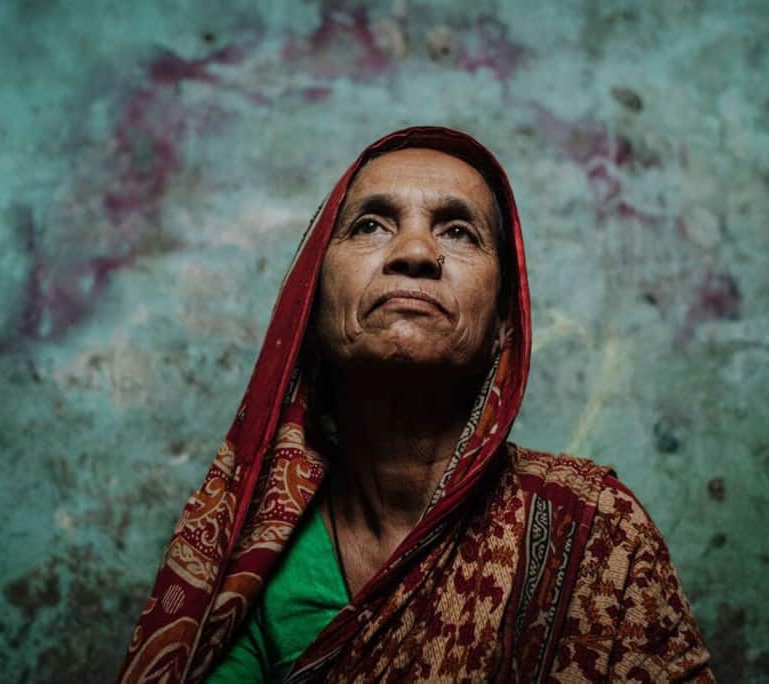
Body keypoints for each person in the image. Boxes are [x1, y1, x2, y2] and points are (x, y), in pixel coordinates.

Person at [119, 127, 713, 683]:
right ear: (311, 301)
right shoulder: (241, 556)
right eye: (372, 225)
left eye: (458, 231)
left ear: (505, 324)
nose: (416, 252)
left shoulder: (591, 533)